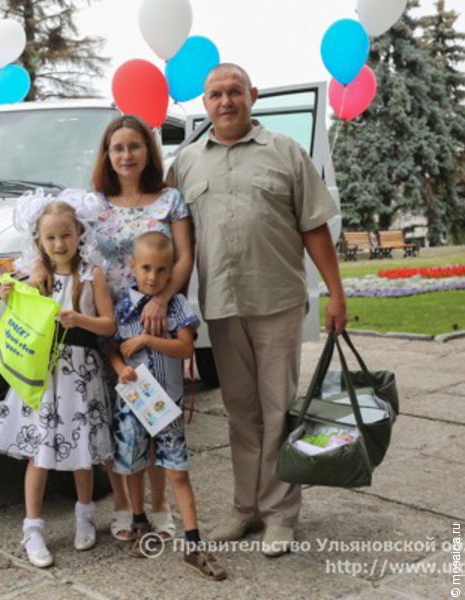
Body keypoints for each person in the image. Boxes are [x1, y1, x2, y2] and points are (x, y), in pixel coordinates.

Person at [168, 63, 348, 557]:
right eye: (214, 95)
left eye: (233, 92)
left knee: (279, 409)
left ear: (252, 95)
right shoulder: (185, 163)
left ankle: (280, 515)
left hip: (277, 302)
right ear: (203, 104)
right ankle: (245, 508)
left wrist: (336, 291)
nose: (224, 102)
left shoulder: (285, 153)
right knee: (240, 411)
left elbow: (314, 228)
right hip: (222, 308)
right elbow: (168, 238)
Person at [30, 115, 194, 541]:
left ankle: (158, 505)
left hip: (154, 321)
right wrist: (35, 263)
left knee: (156, 412)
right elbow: (54, 237)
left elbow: (184, 259)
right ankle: (123, 505)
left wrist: (160, 300)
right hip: (106, 323)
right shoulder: (93, 204)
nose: (126, 155)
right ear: (107, 154)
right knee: (111, 418)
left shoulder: (169, 200)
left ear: (148, 152)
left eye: (134, 146)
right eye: (117, 148)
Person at [0, 193, 117, 568]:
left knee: (82, 455)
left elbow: (109, 324)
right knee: (39, 454)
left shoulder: (93, 275)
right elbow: (21, 322)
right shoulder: (32, 276)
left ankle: (85, 514)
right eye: (51, 238)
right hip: (44, 375)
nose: (59, 244)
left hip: (80, 373)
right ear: (39, 241)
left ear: (79, 234)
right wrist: (8, 296)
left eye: (66, 236)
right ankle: (33, 527)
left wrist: (81, 320)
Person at [109, 231, 226, 581]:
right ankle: (140, 521)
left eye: (162, 270)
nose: (153, 277)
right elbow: (113, 348)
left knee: (177, 471)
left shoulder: (175, 305)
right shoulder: (123, 305)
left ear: (171, 270)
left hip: (166, 407)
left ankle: (193, 544)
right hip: (132, 405)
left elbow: (186, 348)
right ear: (132, 266)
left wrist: (147, 339)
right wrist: (120, 369)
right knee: (133, 465)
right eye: (145, 268)